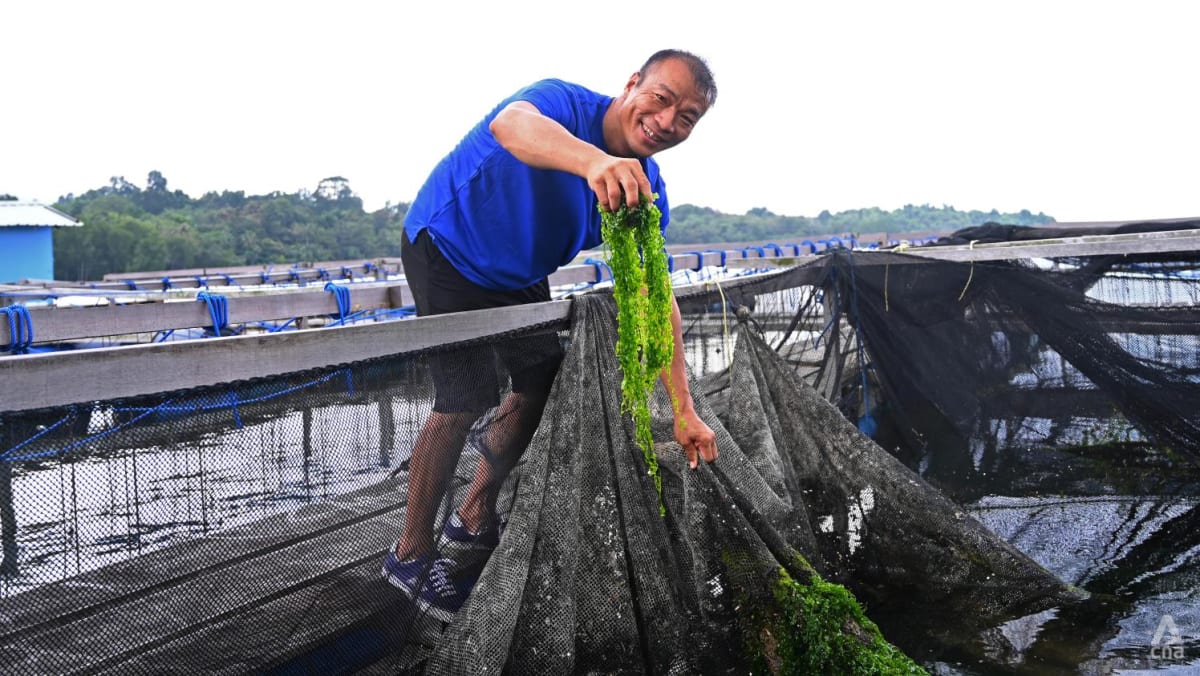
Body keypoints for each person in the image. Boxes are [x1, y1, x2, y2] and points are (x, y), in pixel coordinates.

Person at [382, 49, 720, 621]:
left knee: (540, 387)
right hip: (448, 243)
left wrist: (684, 408)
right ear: (633, 83)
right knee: (465, 398)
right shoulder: (562, 102)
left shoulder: (646, 186)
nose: (667, 123)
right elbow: (509, 125)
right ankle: (409, 553)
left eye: (686, 117)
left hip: (519, 272)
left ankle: (471, 514)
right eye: (662, 100)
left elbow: (654, 297)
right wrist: (593, 163)